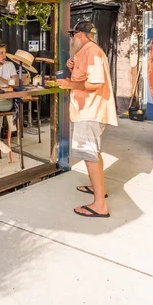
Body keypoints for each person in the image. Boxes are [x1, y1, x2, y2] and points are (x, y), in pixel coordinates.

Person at [57, 21, 118, 218]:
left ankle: (100, 205)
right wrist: (73, 66)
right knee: (92, 153)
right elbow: (86, 75)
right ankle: (96, 187)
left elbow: (95, 83)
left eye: (73, 34)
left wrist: (69, 83)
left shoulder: (92, 52)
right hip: (88, 111)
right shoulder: (87, 51)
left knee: (89, 154)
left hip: (90, 111)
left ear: (80, 34)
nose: (71, 38)